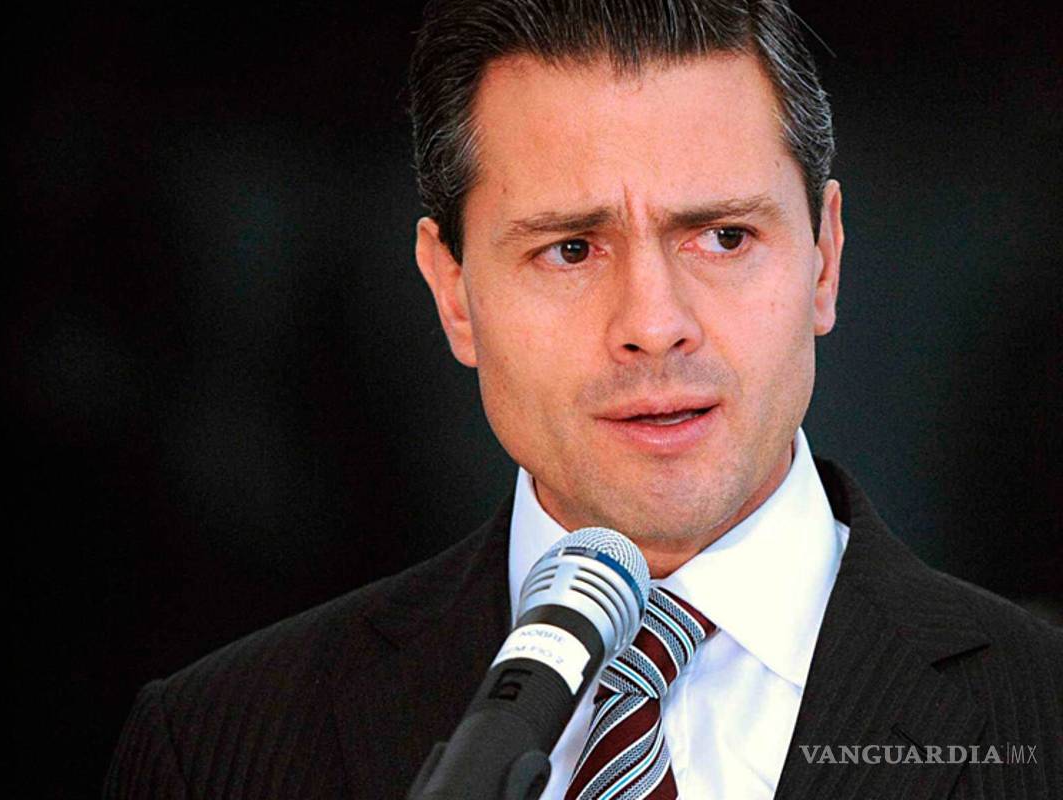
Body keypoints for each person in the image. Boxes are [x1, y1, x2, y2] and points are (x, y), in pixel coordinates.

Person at [104, 1, 1062, 798]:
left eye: (724, 237)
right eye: (570, 249)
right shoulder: (217, 746)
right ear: (453, 293)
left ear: (825, 258)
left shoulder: (1044, 715)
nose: (654, 323)